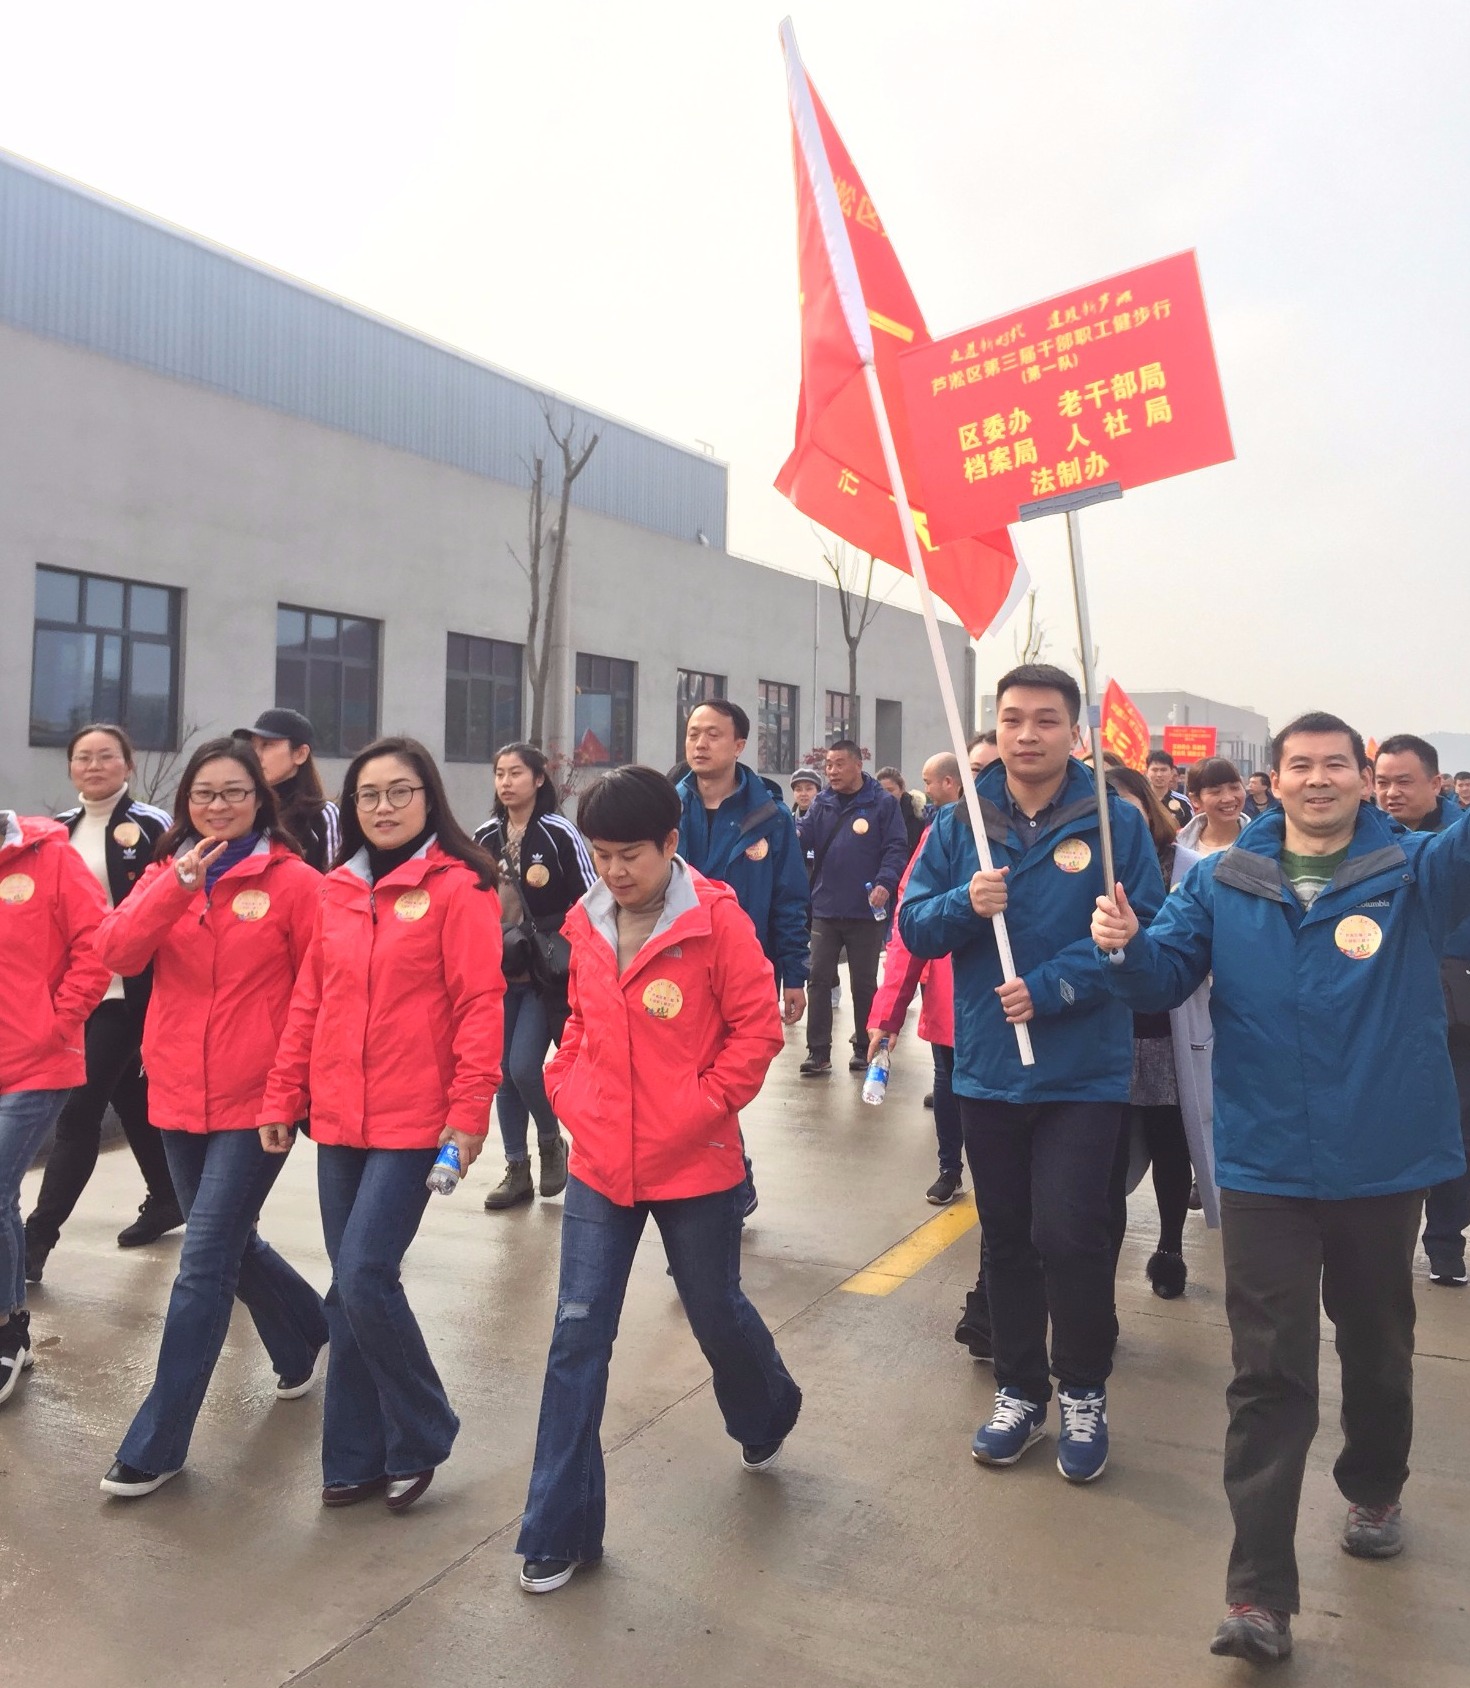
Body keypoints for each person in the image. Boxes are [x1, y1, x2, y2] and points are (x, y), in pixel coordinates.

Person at [1091, 711, 1470, 1665]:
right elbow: (1160, 977)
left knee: (1378, 1342)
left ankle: (1373, 1487)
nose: (1318, 779)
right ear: (1279, 777)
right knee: (1268, 1369)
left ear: (1365, 778)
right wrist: (1124, 945)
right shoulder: (1224, 879)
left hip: (1380, 1156)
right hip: (1266, 1160)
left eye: (1336, 764)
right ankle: (1258, 1594)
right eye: (1300, 764)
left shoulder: (1415, 871)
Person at [515, 767, 800, 1593]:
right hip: (601, 1163)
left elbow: (756, 1031)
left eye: (630, 855)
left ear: (670, 844)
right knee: (577, 1335)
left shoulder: (717, 923)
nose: (614, 872)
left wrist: (702, 1107)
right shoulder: (587, 921)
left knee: (715, 1310)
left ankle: (766, 1408)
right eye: (601, 855)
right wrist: (567, 1086)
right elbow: (578, 1022)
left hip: (694, 1162)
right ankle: (560, 1529)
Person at [900, 664, 1163, 1484]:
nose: (1026, 734)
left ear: (1074, 734)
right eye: (1012, 718)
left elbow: (1145, 936)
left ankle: (1083, 1389)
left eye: (1045, 720)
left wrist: (1052, 988)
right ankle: (1019, 1390)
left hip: (1083, 1072)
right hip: (987, 1069)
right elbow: (915, 925)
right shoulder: (960, 824)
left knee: (1071, 1234)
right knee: (1007, 1238)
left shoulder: (1115, 822)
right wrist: (964, 904)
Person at [260, 737, 503, 1512]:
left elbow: (479, 1006)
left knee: (365, 1274)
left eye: (401, 791)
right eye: (369, 794)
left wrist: (470, 1114)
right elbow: (309, 1000)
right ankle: (355, 1457)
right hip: (338, 1118)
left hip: (415, 1120)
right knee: (350, 1291)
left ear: (429, 798)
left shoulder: (458, 886)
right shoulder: (337, 889)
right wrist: (282, 1094)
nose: (385, 807)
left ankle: (423, 1429)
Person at [94, 739, 329, 1497]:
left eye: (233, 792)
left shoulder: (295, 883)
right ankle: (308, 1333)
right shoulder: (168, 873)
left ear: (261, 800)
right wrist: (173, 886)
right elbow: (117, 951)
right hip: (174, 1090)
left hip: (257, 1100)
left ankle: (158, 1442)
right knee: (225, 1240)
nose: (218, 805)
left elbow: (317, 993)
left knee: (202, 1264)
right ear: (187, 803)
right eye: (204, 794)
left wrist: (290, 1092)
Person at [24, 724, 179, 1285]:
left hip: (127, 992)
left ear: (128, 765)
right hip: (74, 992)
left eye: (106, 756)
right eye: (83, 757)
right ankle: (168, 1195)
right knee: (130, 1097)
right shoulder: (57, 831)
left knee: (79, 1109)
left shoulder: (154, 826)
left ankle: (35, 1239)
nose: (93, 765)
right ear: (70, 767)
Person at [1, 808, 111, 1405]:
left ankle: (4, 1331)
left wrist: (60, 1021)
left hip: (36, 1061)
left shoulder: (52, 856)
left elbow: (98, 944)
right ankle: (14, 1319)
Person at [1103, 766, 1218, 1299]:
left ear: (1148, 806)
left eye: (1125, 804)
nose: (1116, 818)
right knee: (1107, 1158)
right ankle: (1101, 1267)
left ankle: (1170, 1247)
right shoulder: (1089, 866)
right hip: (1107, 1030)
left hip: (1168, 1029)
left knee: (1172, 1144)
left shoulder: (1189, 868)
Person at [475, 743, 596, 1212]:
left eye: (516, 774)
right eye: (499, 774)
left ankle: (551, 1142)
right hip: (497, 972)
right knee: (501, 1075)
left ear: (539, 780)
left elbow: (590, 900)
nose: (506, 783)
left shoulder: (559, 832)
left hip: (546, 974)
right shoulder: (485, 836)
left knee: (524, 1067)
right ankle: (516, 1169)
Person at [1373, 734, 1470, 1286]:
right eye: (1382, 781)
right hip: (1388, 1007)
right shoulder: (1363, 844)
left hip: (1458, 1005)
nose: (1391, 793)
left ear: (1436, 783)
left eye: (1404, 781)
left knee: (1456, 1121)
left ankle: (1446, 1240)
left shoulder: (1456, 846)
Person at [869, 753, 965, 1207]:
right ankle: (950, 1167)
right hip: (949, 986)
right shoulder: (942, 833)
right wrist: (887, 1017)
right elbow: (909, 925)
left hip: (1021, 1003)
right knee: (947, 1077)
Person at [796, 741, 908, 1076]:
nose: (832, 771)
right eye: (828, 765)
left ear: (858, 765)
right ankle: (818, 1052)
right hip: (825, 908)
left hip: (866, 910)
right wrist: (786, 832)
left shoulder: (882, 803)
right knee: (818, 978)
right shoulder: (822, 803)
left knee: (864, 982)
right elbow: (802, 838)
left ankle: (863, 1046)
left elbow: (896, 847)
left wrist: (885, 883)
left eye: (839, 764)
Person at [234, 708, 341, 872]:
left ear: (300, 754)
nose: (257, 755)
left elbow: (335, 879)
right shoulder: (243, 807)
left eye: (267, 745)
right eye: (253, 746)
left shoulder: (322, 814)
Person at [1180, 757, 1249, 855]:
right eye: (1216, 792)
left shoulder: (1264, 842)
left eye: (1235, 788)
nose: (1229, 798)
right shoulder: (1177, 847)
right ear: (1195, 800)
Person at [877, 766, 927, 858]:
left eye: (890, 790)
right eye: (882, 791)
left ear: (901, 789)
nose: (886, 795)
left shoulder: (917, 814)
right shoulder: (874, 816)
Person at [1145, 750, 1192, 827]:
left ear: (1171, 772)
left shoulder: (1183, 801)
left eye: (1163, 770)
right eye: (1155, 770)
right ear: (1147, 772)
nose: (1159, 774)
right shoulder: (1139, 799)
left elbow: (1191, 830)